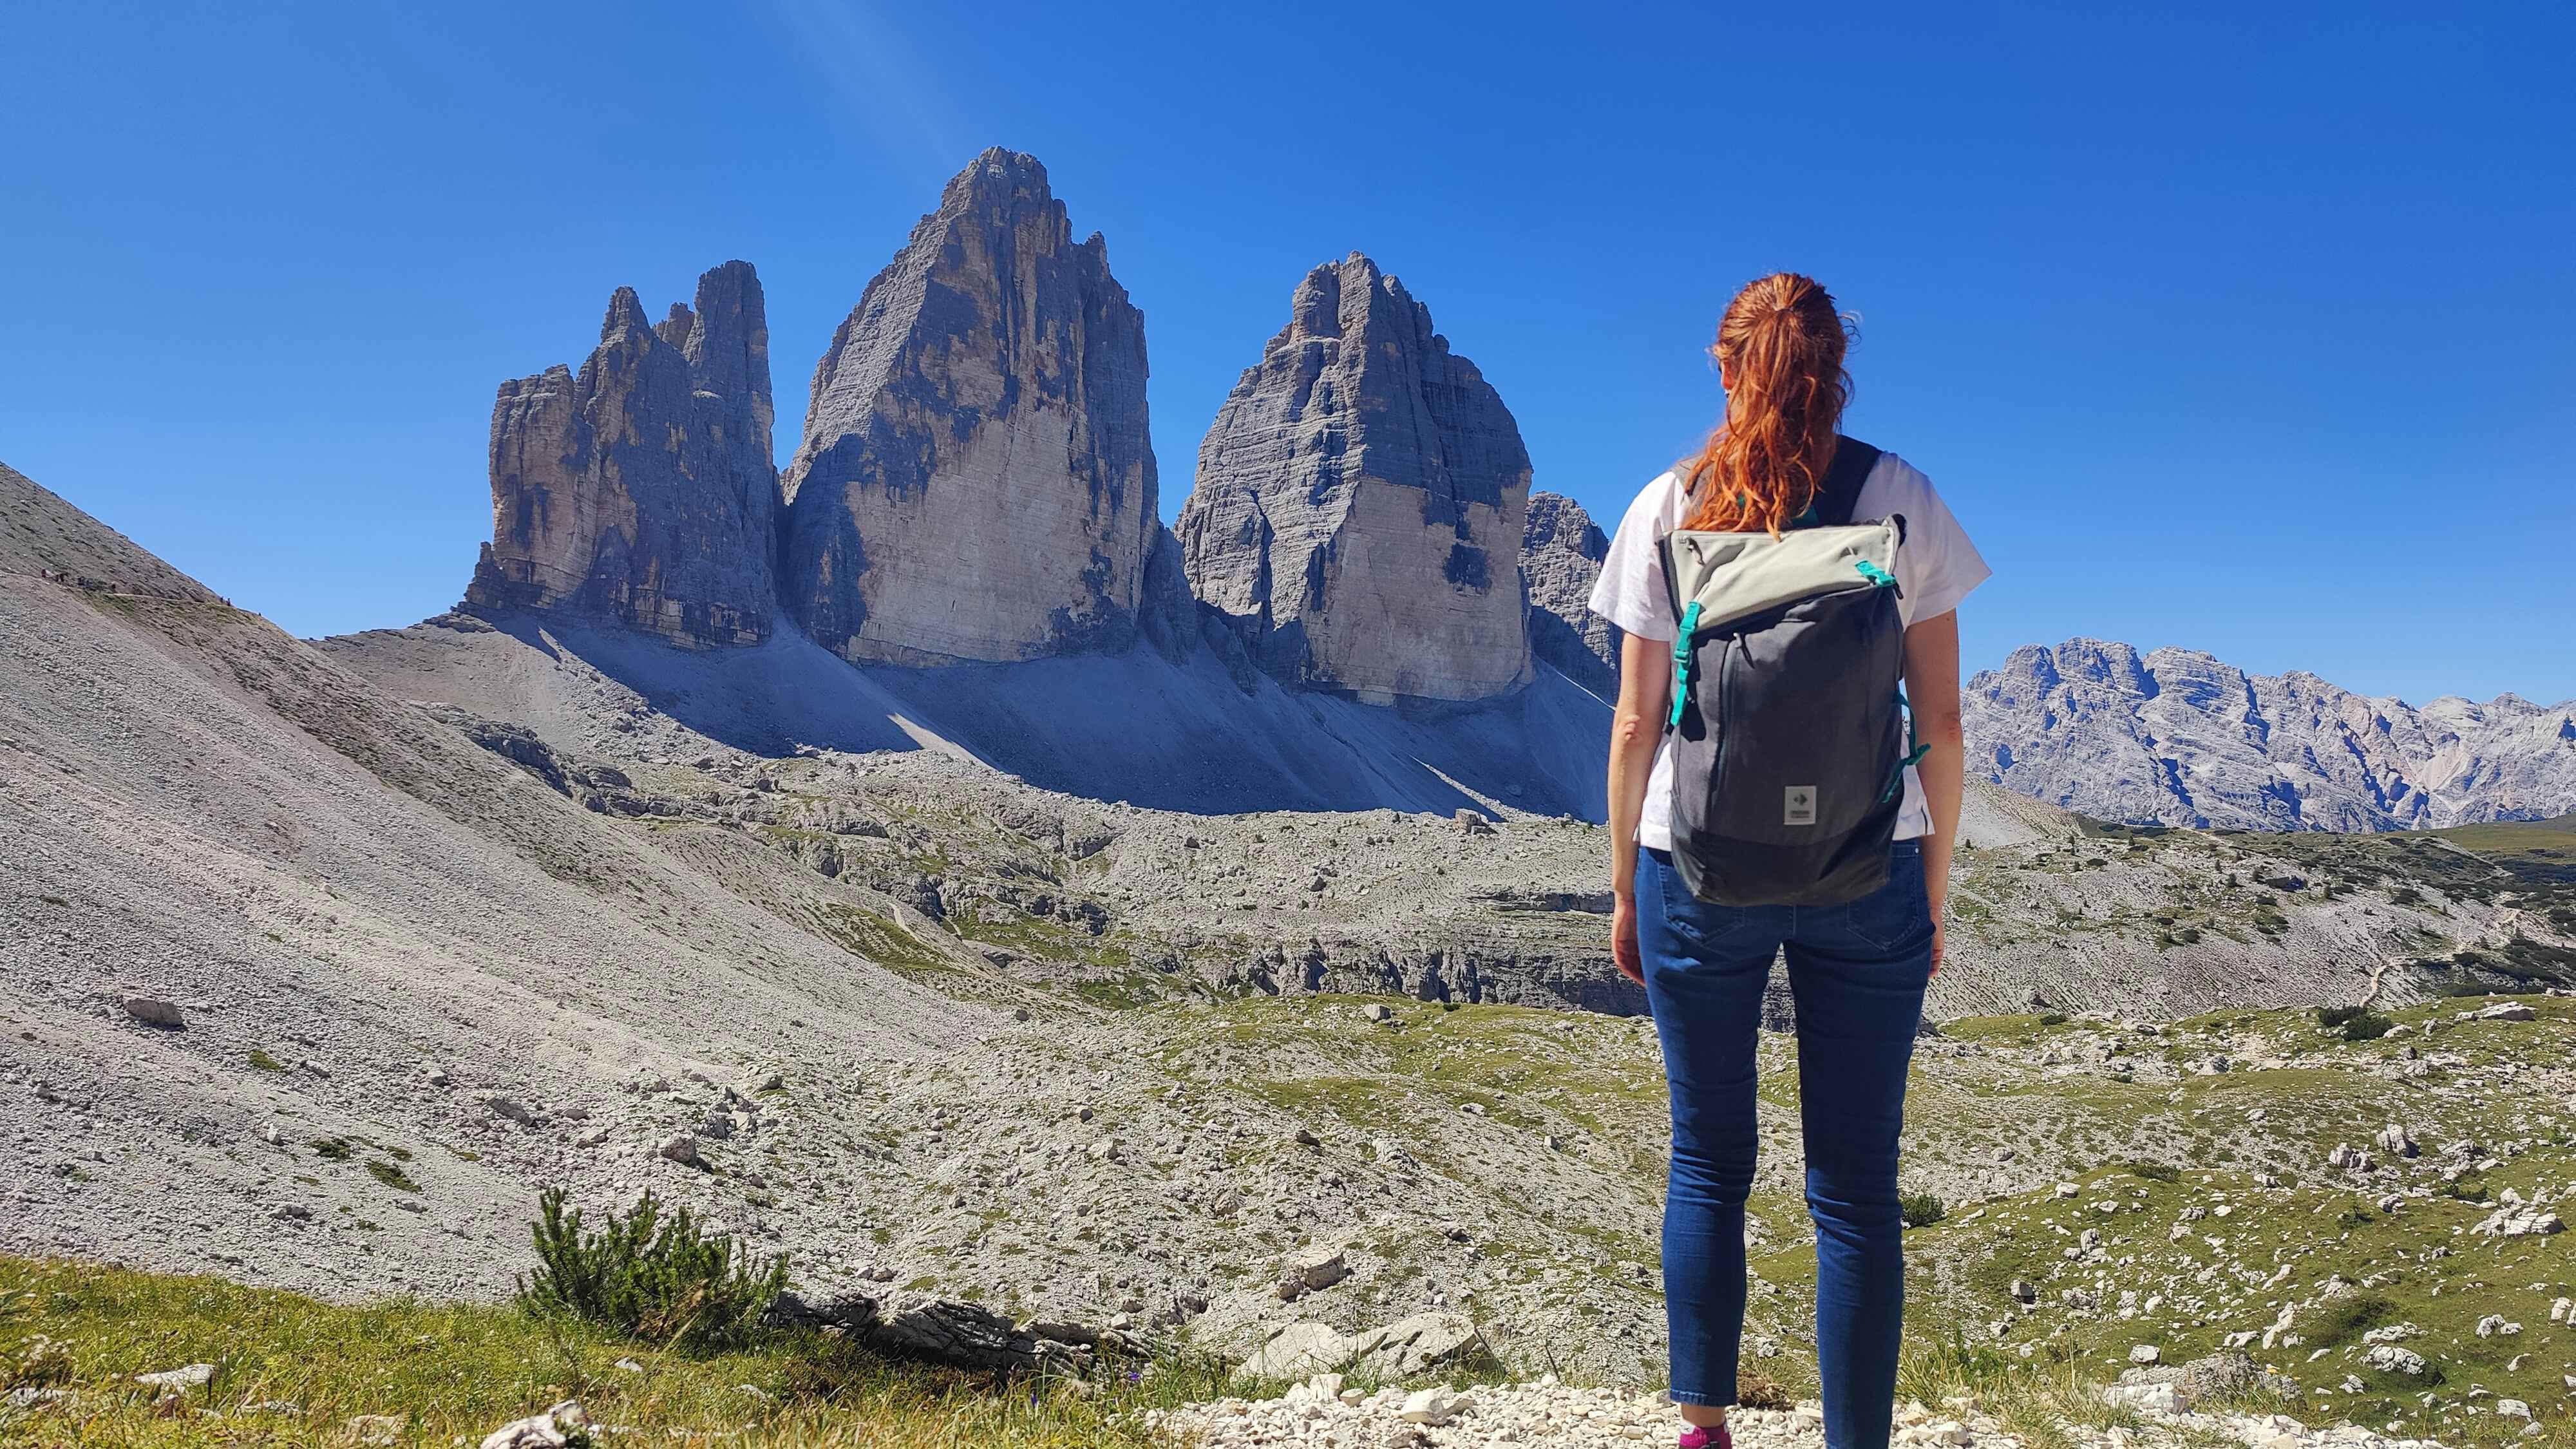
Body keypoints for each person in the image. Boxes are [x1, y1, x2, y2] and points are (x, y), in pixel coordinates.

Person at [1588, 272, 1991, 1449]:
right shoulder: (1898, 496)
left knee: (1707, 1155)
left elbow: (1632, 725)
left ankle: (1704, 1428)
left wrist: (1624, 884)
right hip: (1872, 862)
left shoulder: (1668, 505)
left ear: (1724, 369)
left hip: (1694, 865)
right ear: (1836, 369)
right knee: (1856, 1186)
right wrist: (1932, 884)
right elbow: (1946, 725)